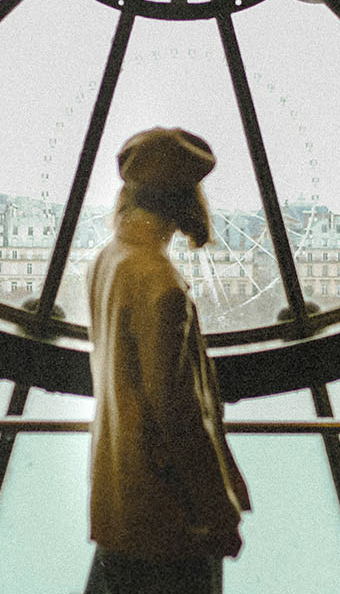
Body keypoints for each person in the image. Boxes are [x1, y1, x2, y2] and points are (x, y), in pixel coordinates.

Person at [85, 127, 251, 594]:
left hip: (121, 503)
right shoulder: (161, 284)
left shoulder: (108, 262)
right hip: (171, 515)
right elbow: (179, 415)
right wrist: (218, 512)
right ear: (186, 199)